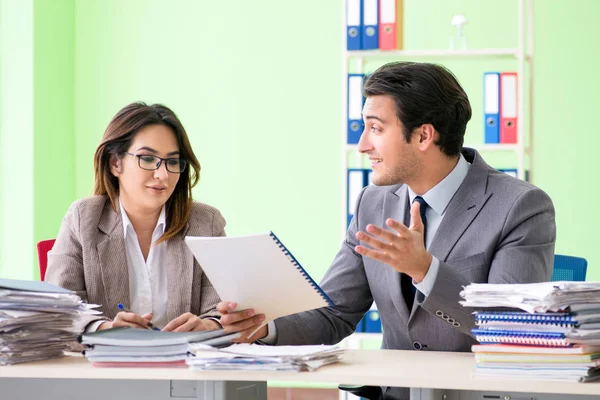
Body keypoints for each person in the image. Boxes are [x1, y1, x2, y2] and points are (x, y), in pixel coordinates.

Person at [215, 62, 556, 400]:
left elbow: (511, 330)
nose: (362, 145)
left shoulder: (520, 206)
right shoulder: (371, 203)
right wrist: (263, 327)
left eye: (376, 129)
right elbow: (335, 312)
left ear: (423, 135)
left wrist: (425, 271)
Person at [46, 102, 225, 334]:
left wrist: (207, 326)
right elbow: (59, 310)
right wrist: (104, 328)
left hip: (184, 366)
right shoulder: (83, 219)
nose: (162, 175)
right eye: (148, 159)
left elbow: (222, 311)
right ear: (115, 163)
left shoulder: (205, 223)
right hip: (106, 367)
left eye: (172, 162)